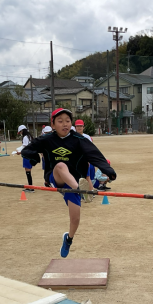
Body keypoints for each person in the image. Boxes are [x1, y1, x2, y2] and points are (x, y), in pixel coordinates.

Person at [21, 108, 116, 258]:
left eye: (67, 121)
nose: (65, 124)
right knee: (60, 165)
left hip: (74, 179)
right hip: (57, 177)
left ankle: (68, 239)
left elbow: (94, 154)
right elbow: (27, 150)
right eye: (60, 121)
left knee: (75, 219)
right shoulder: (46, 139)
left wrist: (108, 171)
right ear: (53, 125)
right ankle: (80, 189)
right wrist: (34, 158)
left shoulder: (79, 139)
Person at [14, 125, 36, 192]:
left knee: (28, 171)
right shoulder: (29, 136)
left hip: (27, 156)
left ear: (22, 131)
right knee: (28, 171)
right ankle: (30, 186)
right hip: (30, 155)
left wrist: (20, 152)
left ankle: (31, 188)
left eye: (20, 132)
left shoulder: (25, 137)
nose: (20, 133)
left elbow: (26, 148)